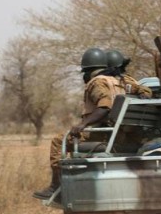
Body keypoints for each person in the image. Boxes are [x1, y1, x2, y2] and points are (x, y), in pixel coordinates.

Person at [33, 48, 152, 201]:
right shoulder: (121, 81)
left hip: (104, 135)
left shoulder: (97, 82)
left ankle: (56, 187)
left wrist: (83, 124)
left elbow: (104, 107)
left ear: (89, 71)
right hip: (121, 134)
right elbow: (144, 91)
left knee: (58, 140)